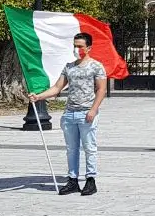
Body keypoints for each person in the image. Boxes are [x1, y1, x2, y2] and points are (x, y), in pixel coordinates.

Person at [29, 31, 106, 196]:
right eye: (75, 46)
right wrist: (39, 96)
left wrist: (93, 109)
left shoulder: (96, 66)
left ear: (89, 48)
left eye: (80, 46)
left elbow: (101, 89)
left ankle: (90, 180)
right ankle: (72, 179)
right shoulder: (69, 67)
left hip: (86, 113)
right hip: (70, 113)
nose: (77, 49)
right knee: (71, 148)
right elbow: (57, 88)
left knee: (89, 147)